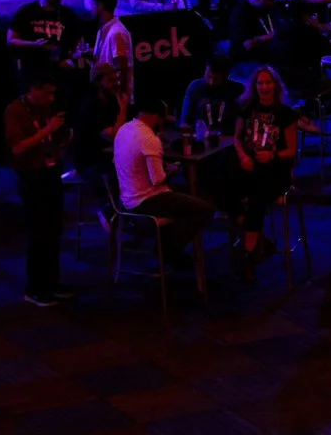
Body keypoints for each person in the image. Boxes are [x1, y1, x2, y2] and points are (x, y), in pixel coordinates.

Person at [3, 70, 74, 306]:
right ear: (32, 89)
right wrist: (48, 131)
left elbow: (47, 140)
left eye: (53, 94)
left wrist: (61, 139)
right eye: (47, 93)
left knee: (54, 229)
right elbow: (18, 148)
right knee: (39, 232)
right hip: (32, 177)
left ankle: (51, 283)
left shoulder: (43, 109)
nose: (51, 99)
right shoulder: (15, 111)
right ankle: (34, 289)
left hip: (50, 171)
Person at [113, 90, 211, 259]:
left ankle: (165, 246)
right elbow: (158, 179)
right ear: (155, 116)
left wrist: (162, 166)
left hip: (126, 198)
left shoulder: (124, 129)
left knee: (186, 197)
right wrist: (172, 170)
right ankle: (167, 251)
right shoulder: (149, 138)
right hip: (146, 200)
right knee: (205, 210)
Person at [228, 66, 299, 274]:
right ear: (255, 86)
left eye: (268, 83)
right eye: (260, 83)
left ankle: (248, 256)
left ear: (275, 86)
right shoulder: (247, 107)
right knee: (226, 188)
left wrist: (272, 155)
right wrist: (242, 156)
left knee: (257, 198)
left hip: (275, 169)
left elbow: (292, 150)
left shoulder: (285, 113)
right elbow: (237, 138)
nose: (264, 87)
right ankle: (258, 240)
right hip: (250, 165)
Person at [7, 0, 84, 73]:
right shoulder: (26, 11)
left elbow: (80, 44)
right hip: (33, 71)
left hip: (60, 71)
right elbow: (11, 40)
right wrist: (34, 44)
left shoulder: (68, 15)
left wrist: (71, 60)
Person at [181, 49, 245, 140]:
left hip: (228, 139)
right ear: (205, 70)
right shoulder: (195, 87)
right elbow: (185, 120)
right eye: (208, 76)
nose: (211, 82)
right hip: (201, 138)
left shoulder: (237, 90)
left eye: (216, 79)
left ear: (225, 76)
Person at [86, 0, 134, 99]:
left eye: (92, 5)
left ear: (100, 6)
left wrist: (120, 97)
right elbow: (106, 61)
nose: (90, 9)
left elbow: (122, 67)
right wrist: (88, 54)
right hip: (105, 97)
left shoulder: (116, 32)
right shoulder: (103, 29)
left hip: (114, 99)